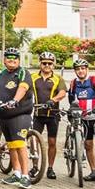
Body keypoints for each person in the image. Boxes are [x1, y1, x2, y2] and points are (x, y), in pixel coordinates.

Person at [0, 47, 34, 189]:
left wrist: (15, 100)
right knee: (11, 145)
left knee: (19, 144)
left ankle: (25, 176)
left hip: (19, 114)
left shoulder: (23, 72)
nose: (12, 60)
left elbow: (23, 87)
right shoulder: (2, 74)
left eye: (15, 57)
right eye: (9, 57)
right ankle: (16, 173)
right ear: (4, 60)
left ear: (19, 60)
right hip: (4, 114)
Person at [67, 58, 95, 184]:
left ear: (87, 69)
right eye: (78, 69)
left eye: (83, 68)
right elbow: (71, 99)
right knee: (88, 145)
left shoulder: (94, 79)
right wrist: (72, 109)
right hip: (83, 119)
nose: (80, 71)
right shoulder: (73, 83)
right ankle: (93, 171)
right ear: (75, 71)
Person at [31, 51, 68, 180]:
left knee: (52, 142)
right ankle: (35, 166)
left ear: (54, 65)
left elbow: (62, 93)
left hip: (52, 114)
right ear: (40, 64)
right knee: (34, 140)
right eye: (44, 63)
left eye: (50, 63)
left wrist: (53, 100)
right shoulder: (32, 77)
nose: (47, 65)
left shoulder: (58, 78)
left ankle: (50, 168)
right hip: (37, 114)